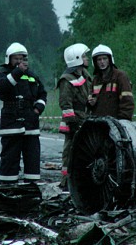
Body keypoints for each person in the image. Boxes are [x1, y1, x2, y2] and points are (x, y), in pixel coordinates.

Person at [0, 42, 47, 184]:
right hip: (11, 122)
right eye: (16, 58)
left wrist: (37, 109)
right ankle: (8, 187)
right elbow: (1, 87)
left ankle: (31, 188)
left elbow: (42, 94)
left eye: (21, 58)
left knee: (32, 158)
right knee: (10, 157)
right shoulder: (2, 73)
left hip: (30, 123)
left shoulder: (31, 76)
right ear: (9, 59)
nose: (19, 61)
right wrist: (17, 72)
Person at [58, 43, 92, 188]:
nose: (87, 58)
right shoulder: (67, 79)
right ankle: (66, 181)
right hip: (74, 121)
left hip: (84, 118)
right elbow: (65, 104)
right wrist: (73, 123)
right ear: (77, 59)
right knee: (70, 151)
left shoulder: (86, 75)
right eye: (84, 56)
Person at [88, 44, 134, 120]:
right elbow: (91, 103)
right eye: (99, 59)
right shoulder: (95, 80)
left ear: (110, 59)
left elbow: (127, 102)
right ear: (95, 62)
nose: (102, 62)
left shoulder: (120, 76)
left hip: (117, 124)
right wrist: (91, 103)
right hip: (99, 123)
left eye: (104, 58)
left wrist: (122, 121)